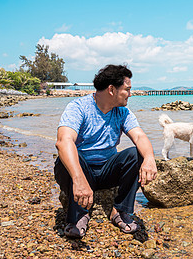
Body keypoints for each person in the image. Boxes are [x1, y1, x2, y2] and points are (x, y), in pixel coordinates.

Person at [54, 64, 157, 239]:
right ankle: (79, 214)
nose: (130, 94)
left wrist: (149, 158)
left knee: (136, 153)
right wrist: (79, 180)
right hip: (82, 169)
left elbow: (139, 137)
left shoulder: (122, 112)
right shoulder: (79, 107)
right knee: (66, 157)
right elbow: (64, 141)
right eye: (127, 90)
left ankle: (120, 210)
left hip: (107, 171)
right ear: (111, 89)